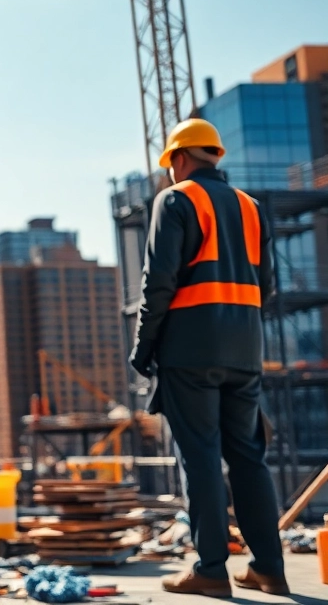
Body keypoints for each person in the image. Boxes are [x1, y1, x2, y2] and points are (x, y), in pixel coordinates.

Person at [129, 119, 288, 597]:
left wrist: (143, 348)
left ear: (178, 160)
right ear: (213, 155)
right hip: (245, 349)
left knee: (199, 457)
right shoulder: (251, 207)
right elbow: (268, 287)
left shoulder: (174, 200)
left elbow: (158, 283)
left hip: (190, 349)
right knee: (248, 457)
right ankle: (268, 568)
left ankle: (212, 570)